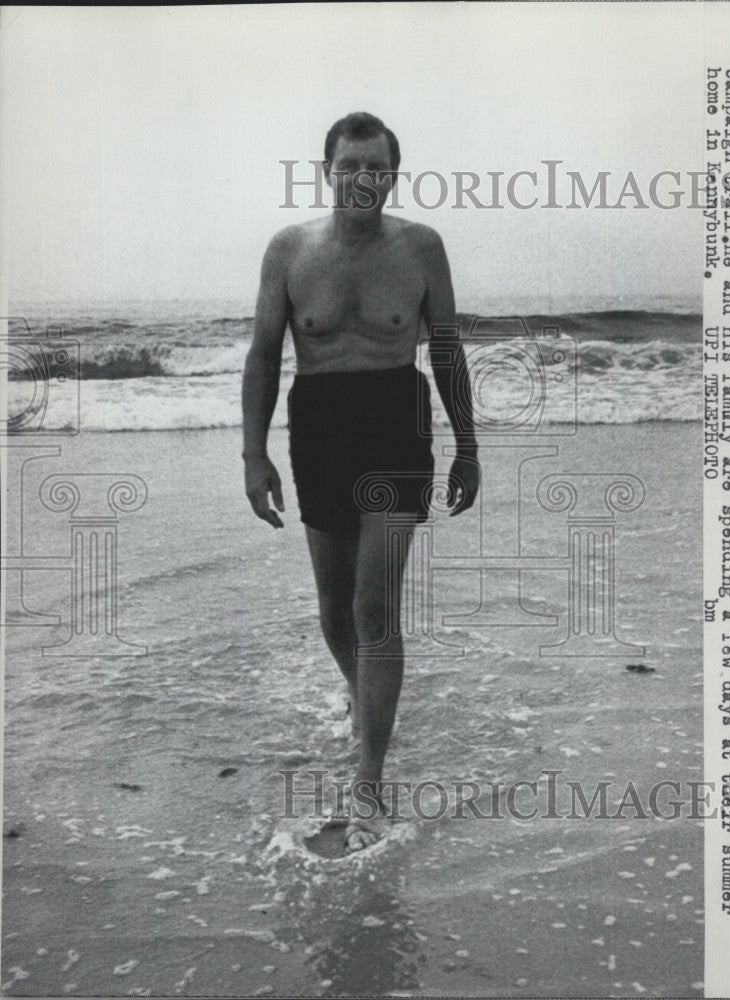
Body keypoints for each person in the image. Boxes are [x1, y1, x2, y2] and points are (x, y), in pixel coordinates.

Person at [242, 112, 479, 851]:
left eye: (377, 168)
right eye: (349, 167)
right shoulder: (288, 251)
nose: (363, 180)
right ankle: (365, 698)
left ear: (392, 173)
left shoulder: (420, 248)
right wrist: (254, 456)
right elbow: (261, 356)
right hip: (317, 423)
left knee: (375, 603)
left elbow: (444, 350)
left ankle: (369, 778)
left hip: (393, 422)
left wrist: (467, 446)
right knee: (335, 610)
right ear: (326, 170)